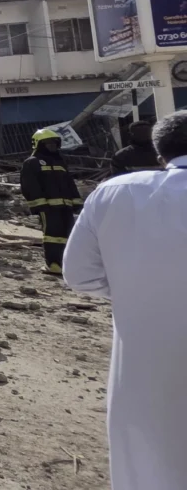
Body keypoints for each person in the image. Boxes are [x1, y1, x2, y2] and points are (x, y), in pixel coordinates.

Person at [64, 111, 187, 489]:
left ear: (159, 151)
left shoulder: (116, 192)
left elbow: (79, 274)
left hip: (145, 366)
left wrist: (136, 288)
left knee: (151, 464)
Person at [21, 128, 82, 275]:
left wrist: (77, 202)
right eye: (48, 144)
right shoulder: (32, 162)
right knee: (52, 236)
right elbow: (30, 185)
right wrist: (40, 205)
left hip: (65, 206)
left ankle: (66, 263)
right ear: (39, 145)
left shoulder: (60, 162)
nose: (52, 146)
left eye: (54, 144)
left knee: (68, 235)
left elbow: (69, 183)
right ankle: (53, 264)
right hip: (48, 208)